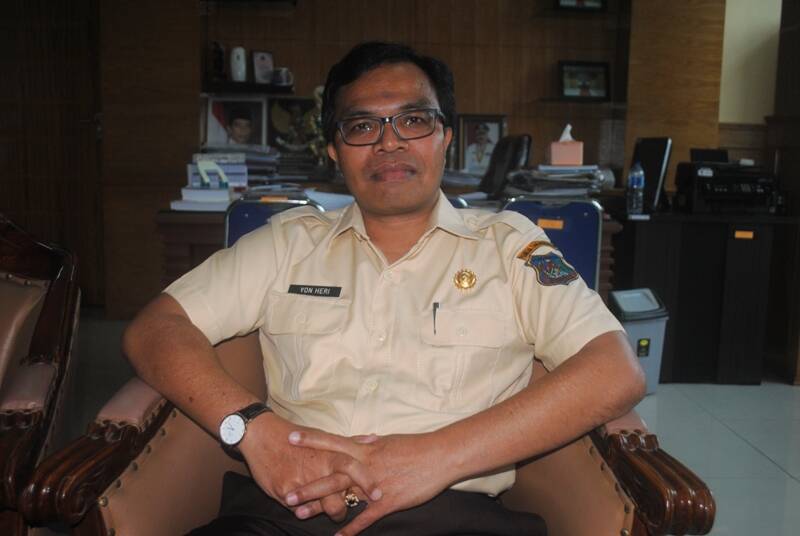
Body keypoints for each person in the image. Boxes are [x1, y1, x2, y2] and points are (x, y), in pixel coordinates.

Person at [123, 41, 646, 536]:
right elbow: (155, 328)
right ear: (334, 150)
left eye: (414, 120)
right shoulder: (286, 244)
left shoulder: (509, 248)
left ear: (446, 137)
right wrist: (253, 430)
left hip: (453, 516)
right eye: (362, 126)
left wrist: (435, 458)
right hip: (285, 512)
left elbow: (615, 370)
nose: (388, 142)